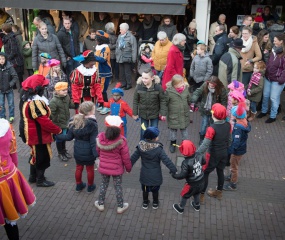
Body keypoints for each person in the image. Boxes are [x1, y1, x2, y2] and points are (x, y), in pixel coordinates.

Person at [21, 74, 62, 187]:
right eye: (43, 86)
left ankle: (33, 177)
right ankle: (40, 179)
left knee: (35, 154)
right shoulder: (35, 102)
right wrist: (57, 130)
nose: (45, 88)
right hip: (38, 135)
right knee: (42, 156)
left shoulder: (29, 99)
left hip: (33, 134)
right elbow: (44, 121)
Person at [0, 118, 36, 240]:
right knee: (10, 218)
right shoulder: (6, 127)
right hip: (8, 176)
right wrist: (14, 169)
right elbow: (13, 153)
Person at [131, 127, 177, 209]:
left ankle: (145, 203)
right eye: (157, 136)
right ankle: (155, 203)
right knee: (155, 190)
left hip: (144, 175)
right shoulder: (158, 149)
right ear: (153, 138)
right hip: (156, 176)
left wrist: (128, 167)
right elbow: (166, 160)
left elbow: (133, 158)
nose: (158, 137)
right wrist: (173, 170)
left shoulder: (140, 146)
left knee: (145, 190)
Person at [56, 101, 98, 193]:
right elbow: (93, 141)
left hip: (78, 150)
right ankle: (90, 186)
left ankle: (78, 185)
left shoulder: (74, 121)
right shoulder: (93, 124)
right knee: (90, 169)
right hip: (89, 152)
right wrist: (96, 154)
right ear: (90, 112)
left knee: (79, 168)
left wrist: (56, 135)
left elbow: (68, 137)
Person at [95, 115, 132, 214]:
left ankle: (100, 203)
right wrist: (128, 168)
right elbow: (126, 157)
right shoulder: (121, 141)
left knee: (103, 184)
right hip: (117, 169)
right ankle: (120, 206)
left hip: (104, 167)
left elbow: (98, 151)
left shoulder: (100, 137)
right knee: (118, 186)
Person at [197, 103, 231, 203]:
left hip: (212, 154)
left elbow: (205, 144)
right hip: (224, 153)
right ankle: (219, 192)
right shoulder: (228, 125)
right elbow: (230, 140)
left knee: (205, 173)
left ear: (213, 115)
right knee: (220, 172)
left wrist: (197, 153)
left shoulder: (211, 128)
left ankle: (201, 196)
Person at [257, 34, 285, 123]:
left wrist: (281, 79)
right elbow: (269, 62)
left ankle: (273, 116)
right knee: (265, 96)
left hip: (277, 80)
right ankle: (264, 111)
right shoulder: (273, 50)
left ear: (281, 41)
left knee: (274, 98)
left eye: (275, 40)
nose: (273, 41)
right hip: (268, 77)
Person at [191, 76, 227, 145]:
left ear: (216, 84)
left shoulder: (221, 89)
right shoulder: (205, 85)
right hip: (205, 109)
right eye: (210, 84)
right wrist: (193, 100)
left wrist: (222, 111)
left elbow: (224, 101)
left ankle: (211, 137)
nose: (210, 86)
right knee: (204, 124)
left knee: (212, 125)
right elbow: (197, 92)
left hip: (215, 111)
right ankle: (202, 137)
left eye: (212, 85)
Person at [172, 140, 205, 214]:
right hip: (202, 180)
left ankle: (181, 208)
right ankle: (197, 205)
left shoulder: (186, 163)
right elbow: (204, 162)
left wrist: (174, 175)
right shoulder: (199, 154)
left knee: (185, 195)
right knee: (196, 193)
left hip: (192, 184)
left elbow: (182, 175)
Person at [223, 103, 251, 191]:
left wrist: (231, 150)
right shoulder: (244, 123)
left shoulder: (238, 127)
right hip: (241, 149)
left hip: (237, 151)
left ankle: (233, 184)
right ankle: (231, 176)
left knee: (233, 166)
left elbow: (236, 141)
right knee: (234, 165)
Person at [133, 68, 166, 139]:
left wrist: (163, 113)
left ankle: (153, 146)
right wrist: (135, 113)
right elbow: (135, 100)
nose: (143, 80)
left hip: (154, 114)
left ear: (152, 78)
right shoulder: (138, 87)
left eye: (146, 78)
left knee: (154, 132)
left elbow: (163, 100)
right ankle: (142, 145)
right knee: (143, 131)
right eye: (142, 78)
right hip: (143, 114)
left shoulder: (158, 87)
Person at [165, 74, 191, 153]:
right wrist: (163, 113)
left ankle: (185, 145)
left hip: (183, 115)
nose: (183, 84)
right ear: (175, 85)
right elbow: (165, 102)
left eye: (183, 82)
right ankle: (172, 144)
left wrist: (192, 104)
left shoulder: (186, 89)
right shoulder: (169, 92)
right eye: (180, 83)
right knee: (173, 132)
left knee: (185, 133)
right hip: (173, 115)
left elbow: (188, 99)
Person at [49, 82, 74, 161]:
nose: (66, 91)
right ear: (57, 91)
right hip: (58, 124)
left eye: (66, 90)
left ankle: (64, 151)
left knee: (64, 138)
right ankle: (60, 153)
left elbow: (70, 105)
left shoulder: (67, 97)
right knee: (59, 139)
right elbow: (51, 114)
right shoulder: (53, 101)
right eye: (63, 90)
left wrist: (77, 103)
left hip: (66, 122)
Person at [94, 30, 112, 114]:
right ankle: (101, 105)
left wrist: (92, 56)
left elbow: (102, 59)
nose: (96, 40)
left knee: (103, 90)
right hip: (99, 71)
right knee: (100, 89)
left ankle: (106, 106)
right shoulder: (99, 47)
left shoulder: (105, 48)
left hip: (104, 72)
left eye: (97, 39)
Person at [1, 23, 24, 89]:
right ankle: (14, 86)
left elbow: (14, 51)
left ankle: (21, 88)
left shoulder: (11, 38)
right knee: (12, 73)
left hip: (15, 60)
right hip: (11, 59)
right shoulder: (7, 37)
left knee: (19, 74)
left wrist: (7, 58)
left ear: (4, 30)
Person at [115, 23, 137, 90]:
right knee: (121, 72)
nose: (120, 30)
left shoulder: (131, 37)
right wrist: (116, 53)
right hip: (120, 57)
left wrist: (134, 59)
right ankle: (123, 83)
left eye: (121, 29)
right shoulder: (119, 36)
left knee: (127, 72)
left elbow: (134, 48)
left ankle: (129, 84)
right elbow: (117, 46)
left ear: (125, 30)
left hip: (127, 57)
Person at [0, 52, 18, 123]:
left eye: (3, 58)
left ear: (5, 59)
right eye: (0, 59)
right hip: (0, 90)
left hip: (9, 89)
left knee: (11, 104)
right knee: (1, 105)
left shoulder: (9, 67)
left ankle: (11, 116)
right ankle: (2, 117)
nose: (1, 60)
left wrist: (10, 84)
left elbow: (15, 76)